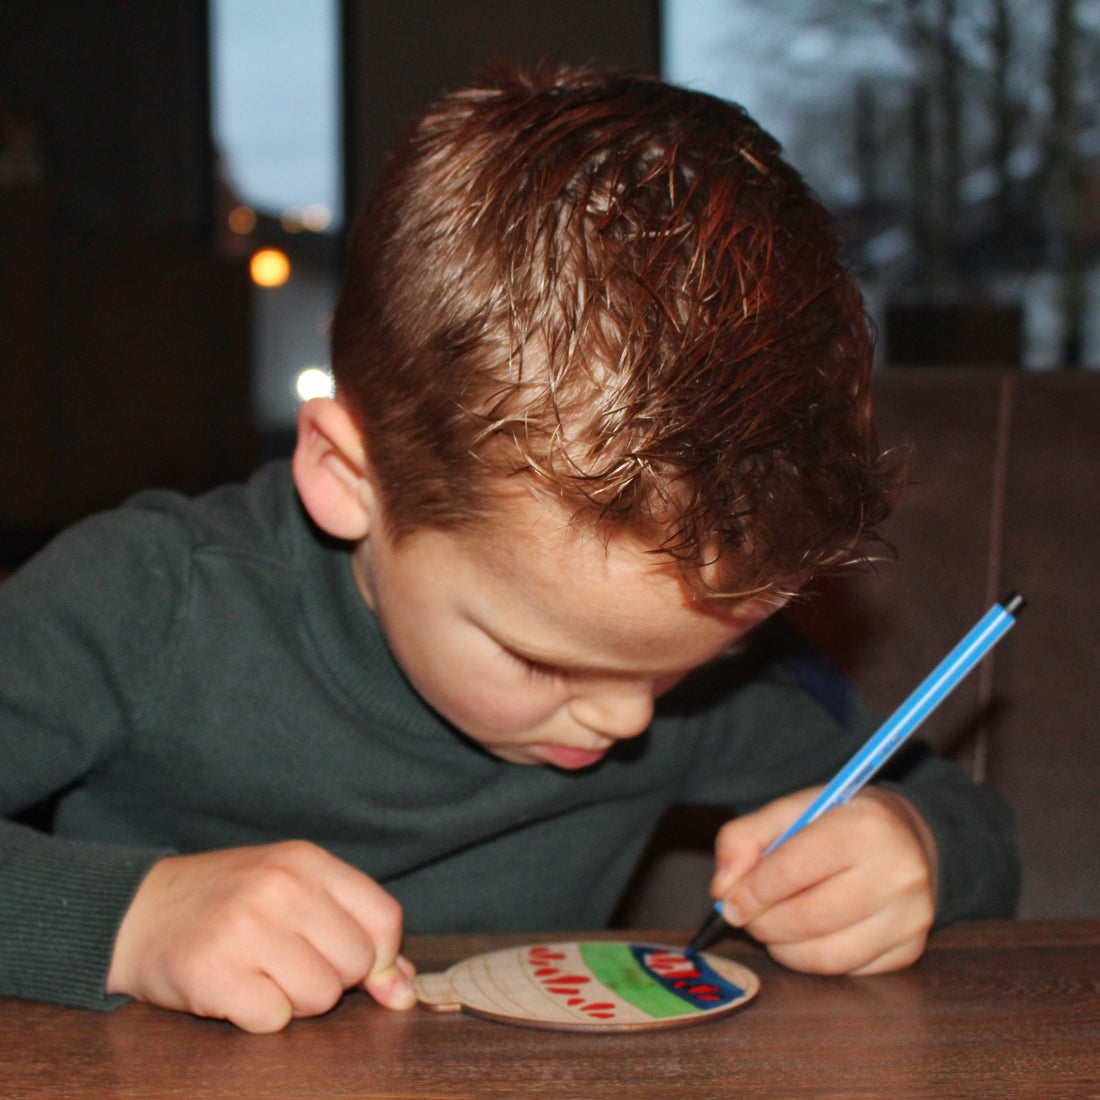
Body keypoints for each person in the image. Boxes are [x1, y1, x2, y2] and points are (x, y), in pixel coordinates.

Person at [0, 63, 1018, 1034]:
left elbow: (957, 812)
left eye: (683, 666)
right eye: (541, 658)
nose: (627, 715)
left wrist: (911, 853)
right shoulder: (147, 598)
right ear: (350, 479)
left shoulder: (679, 676)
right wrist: (127, 921)